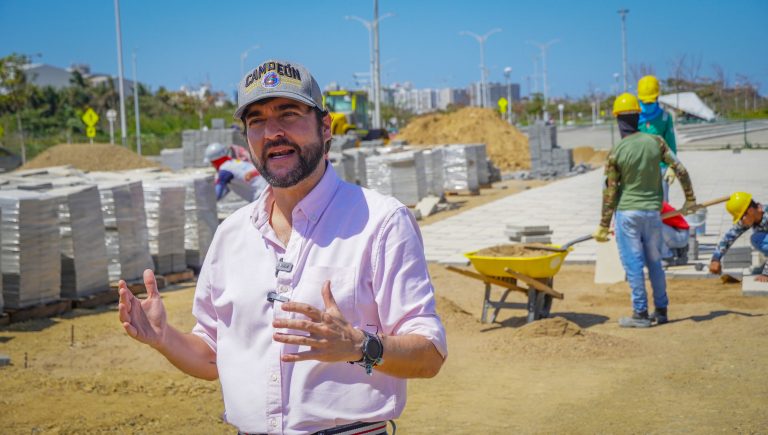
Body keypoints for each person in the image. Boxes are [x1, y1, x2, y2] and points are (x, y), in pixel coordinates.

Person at [118, 59, 447, 434]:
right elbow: (212, 357)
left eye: (288, 114)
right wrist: (164, 339)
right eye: (256, 121)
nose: (272, 132)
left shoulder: (380, 223)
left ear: (325, 128)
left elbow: (430, 355)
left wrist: (360, 345)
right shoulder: (232, 236)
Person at [593, 93, 697, 328]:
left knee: (633, 264)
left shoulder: (616, 151)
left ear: (619, 120)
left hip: (628, 214)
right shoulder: (656, 142)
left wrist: (602, 225)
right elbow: (680, 169)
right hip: (653, 213)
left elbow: (609, 193)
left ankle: (640, 313)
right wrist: (690, 200)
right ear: (638, 117)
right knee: (655, 262)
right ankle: (661, 310)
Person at [709, 192, 768, 282]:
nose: (741, 222)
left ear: (750, 211)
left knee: (757, 238)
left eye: (741, 218)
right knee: (757, 239)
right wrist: (716, 259)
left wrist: (766, 273)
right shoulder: (751, 217)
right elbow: (729, 237)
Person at [637, 75, 678, 202]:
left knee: (662, 207)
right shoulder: (634, 117)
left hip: (661, 168)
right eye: (645, 102)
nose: (648, 104)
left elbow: (671, 145)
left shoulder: (665, 117)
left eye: (650, 101)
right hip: (638, 169)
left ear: (657, 97)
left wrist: (672, 167)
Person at [661, 201, 690, 266]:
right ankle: (675, 251)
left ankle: (666, 258)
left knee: (653, 225)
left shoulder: (654, 205)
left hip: (681, 235)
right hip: (675, 233)